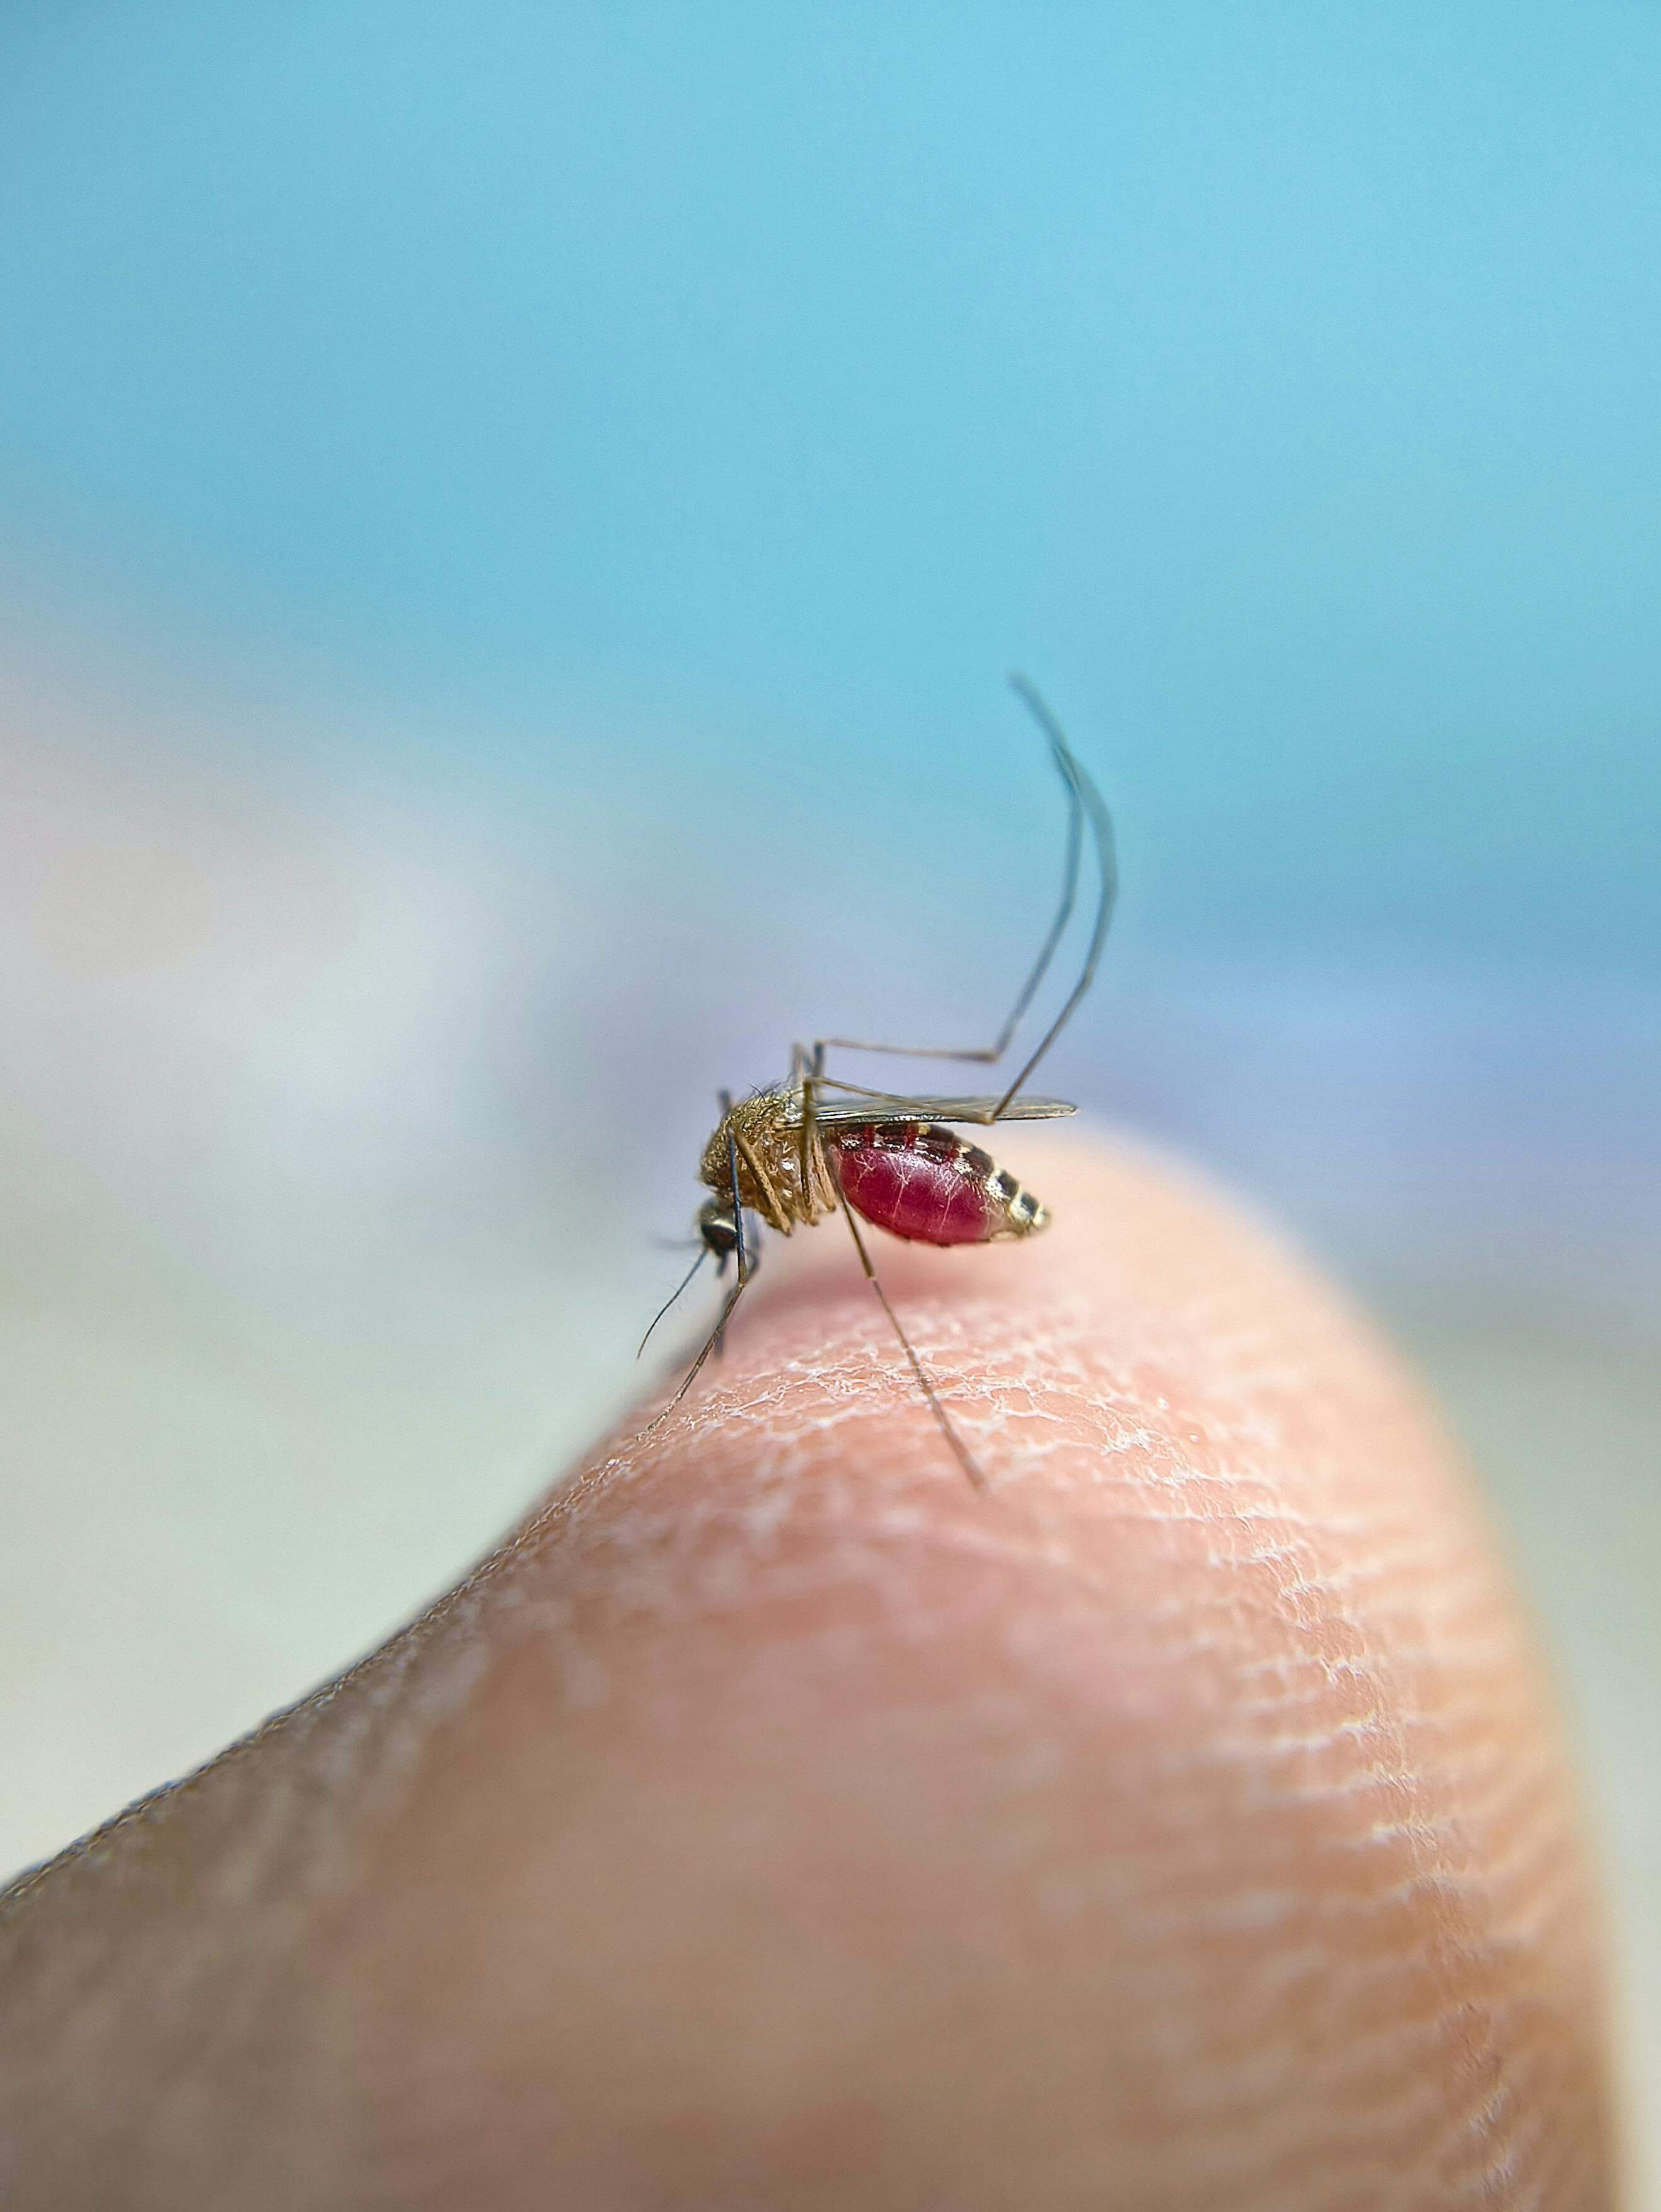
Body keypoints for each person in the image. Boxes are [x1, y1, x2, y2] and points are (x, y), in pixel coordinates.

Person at [0, 1136, 1615, 2208]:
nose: (728, 1243)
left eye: (725, 1235)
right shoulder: (771, 1182)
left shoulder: (789, 1171)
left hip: (896, 1160)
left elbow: (805, 1133)